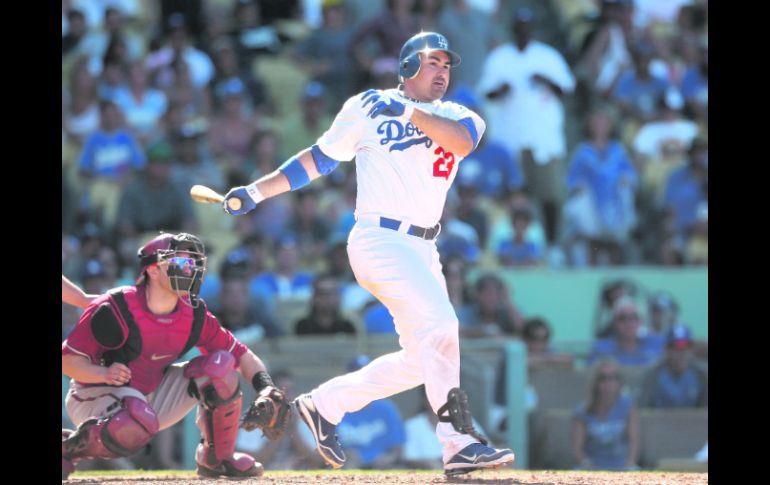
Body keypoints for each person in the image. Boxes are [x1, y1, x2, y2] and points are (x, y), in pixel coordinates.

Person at [220, 31, 514, 475]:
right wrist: (257, 192)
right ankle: (458, 442)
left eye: (446, 64)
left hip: (423, 246)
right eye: (431, 62)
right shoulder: (367, 106)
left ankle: (322, 406)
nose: (441, 72)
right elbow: (319, 159)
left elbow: (460, 142)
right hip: (379, 237)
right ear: (408, 66)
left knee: (421, 359)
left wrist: (410, 112)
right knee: (443, 325)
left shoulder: (459, 114)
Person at [61, 232, 291, 479]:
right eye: (181, 263)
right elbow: (67, 361)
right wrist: (103, 373)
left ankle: (217, 459)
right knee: (136, 420)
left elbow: (241, 354)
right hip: (94, 394)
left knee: (221, 366)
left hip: (150, 396)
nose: (189, 269)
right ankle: (67, 449)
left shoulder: (193, 313)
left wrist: (266, 389)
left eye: (192, 263)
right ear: (153, 270)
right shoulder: (115, 308)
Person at [572, 358, 639, 470]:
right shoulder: (582, 411)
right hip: (592, 468)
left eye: (613, 378)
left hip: (622, 467)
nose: (608, 383)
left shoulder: (628, 406)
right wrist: (589, 466)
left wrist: (629, 464)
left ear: (620, 382)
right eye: (603, 378)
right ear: (595, 382)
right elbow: (577, 451)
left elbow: (633, 442)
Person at [637, 324, 708, 408]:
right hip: (658, 420)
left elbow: (704, 409)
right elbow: (642, 407)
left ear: (691, 349)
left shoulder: (701, 374)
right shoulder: (652, 374)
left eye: (685, 347)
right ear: (666, 349)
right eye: (674, 347)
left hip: (692, 420)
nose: (681, 352)